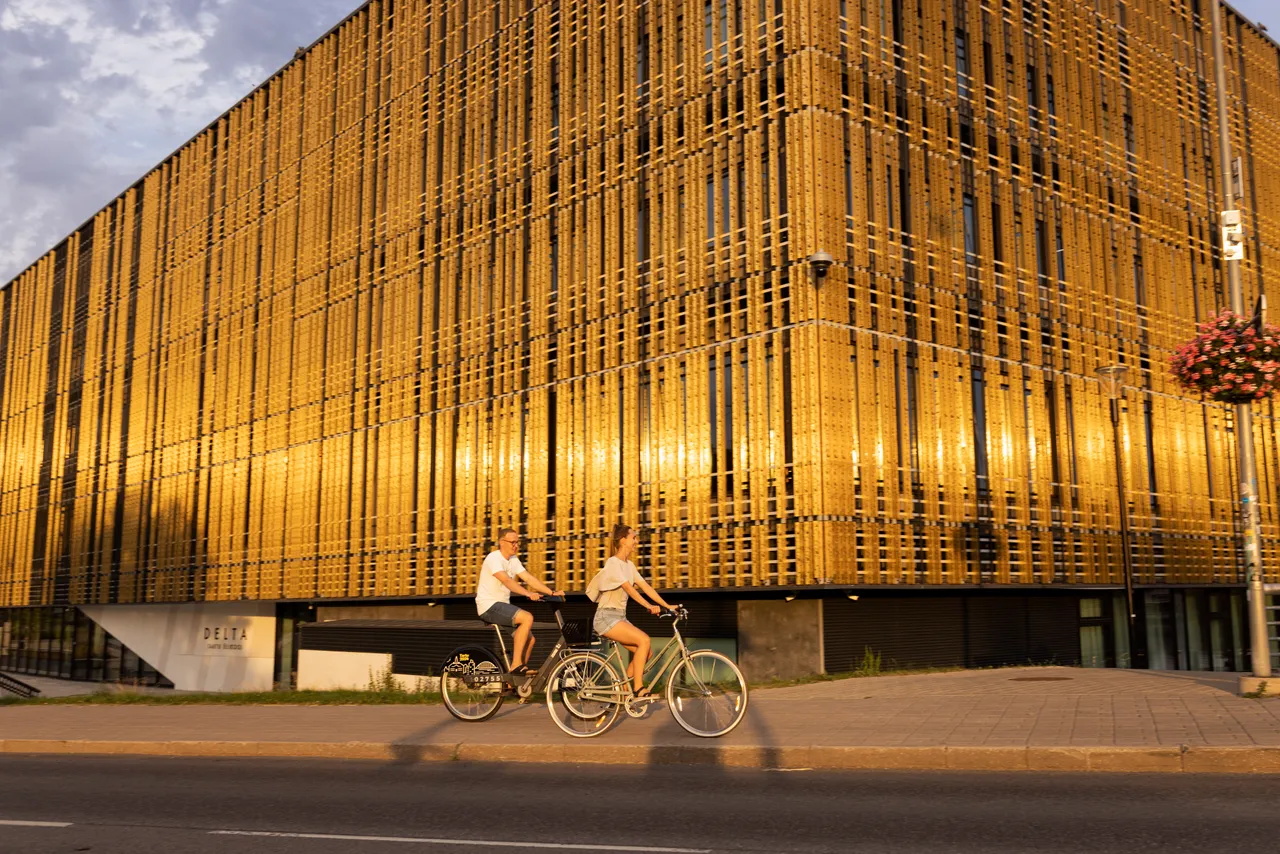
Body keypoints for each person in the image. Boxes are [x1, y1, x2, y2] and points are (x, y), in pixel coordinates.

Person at [587, 523, 678, 698]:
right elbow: (630, 589)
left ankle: (621, 692)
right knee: (644, 640)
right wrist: (649, 606)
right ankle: (638, 688)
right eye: (634, 537)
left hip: (619, 617)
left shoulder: (629, 565)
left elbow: (646, 587)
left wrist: (667, 606)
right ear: (623, 540)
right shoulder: (613, 563)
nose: (637, 541)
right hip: (606, 617)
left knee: (646, 652)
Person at [475, 528, 563, 675]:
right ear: (501, 542)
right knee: (527, 617)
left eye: (517, 542)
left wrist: (551, 592)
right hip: (488, 606)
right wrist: (528, 593)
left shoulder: (513, 560)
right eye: (512, 542)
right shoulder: (493, 558)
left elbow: (528, 578)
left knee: (530, 640)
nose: (516, 545)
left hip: (502, 606)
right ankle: (516, 666)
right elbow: (507, 581)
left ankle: (515, 680)